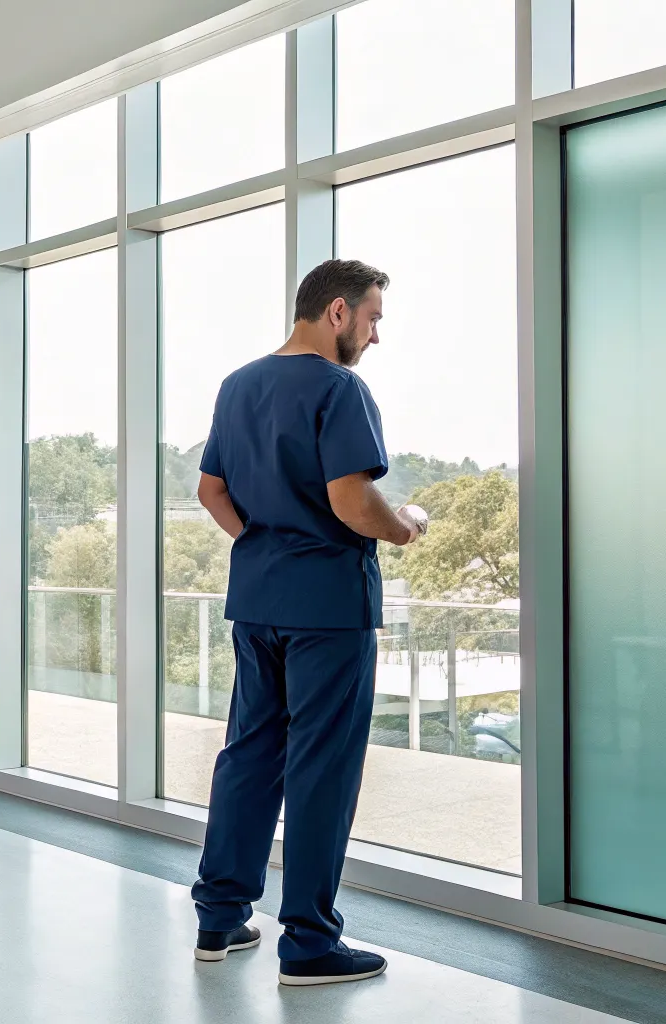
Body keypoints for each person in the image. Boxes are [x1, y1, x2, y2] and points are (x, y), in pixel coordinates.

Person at [189, 259, 427, 987]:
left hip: (259, 600)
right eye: (373, 317)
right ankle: (310, 944)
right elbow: (354, 502)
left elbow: (211, 490)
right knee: (321, 766)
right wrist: (408, 527)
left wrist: (267, 543)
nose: (375, 334)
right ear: (335, 313)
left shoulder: (239, 385)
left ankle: (221, 918)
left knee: (251, 753)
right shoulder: (339, 388)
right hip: (327, 608)